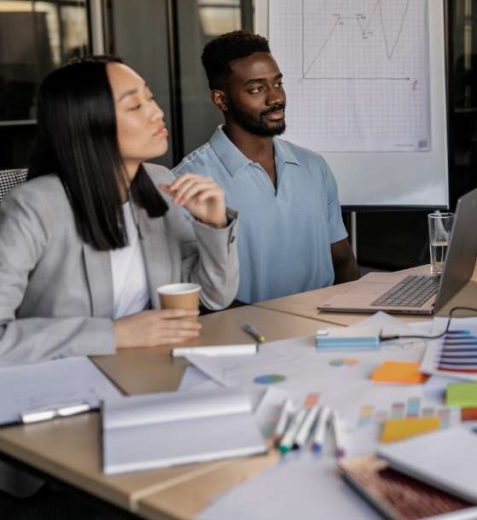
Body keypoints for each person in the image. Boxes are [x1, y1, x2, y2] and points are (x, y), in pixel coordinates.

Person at [0, 56, 239, 365]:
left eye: (150, 98)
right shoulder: (34, 206)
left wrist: (214, 225)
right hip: (61, 383)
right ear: (88, 123)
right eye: (135, 106)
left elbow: (213, 297)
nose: (157, 112)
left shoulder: (161, 185)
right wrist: (112, 335)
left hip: (148, 368)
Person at [174, 31, 359, 304]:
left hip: (323, 332)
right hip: (248, 337)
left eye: (278, 83)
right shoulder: (190, 180)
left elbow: (342, 260)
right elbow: (195, 293)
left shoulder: (314, 167)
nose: (276, 98)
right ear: (221, 100)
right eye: (257, 89)